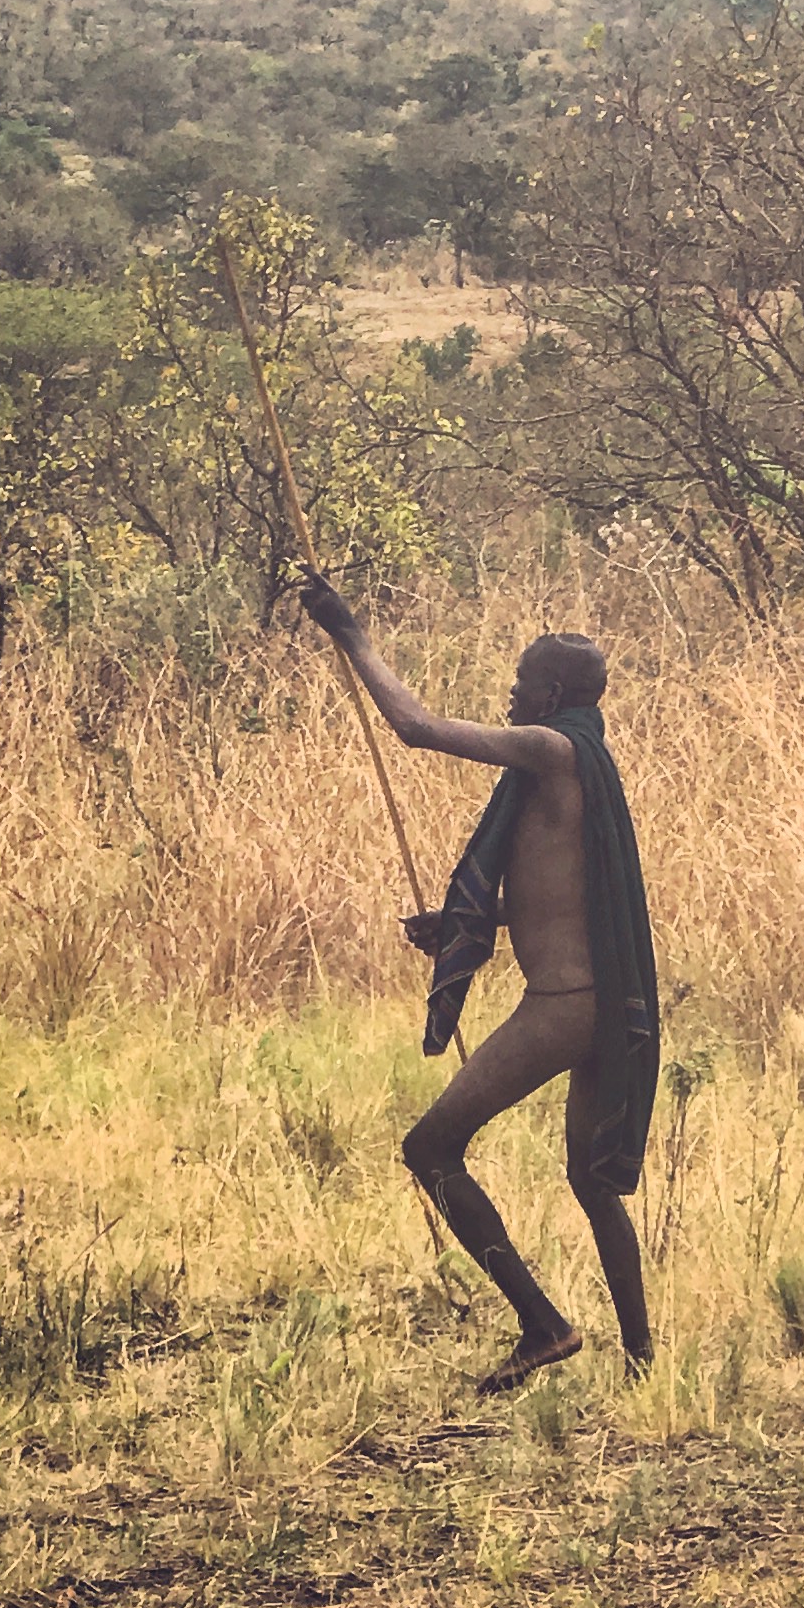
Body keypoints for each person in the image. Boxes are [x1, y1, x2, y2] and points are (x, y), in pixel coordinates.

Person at [297, 582, 661, 1389]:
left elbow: (415, 728)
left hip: (564, 1008)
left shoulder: (553, 749)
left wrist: (349, 633)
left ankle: (543, 1326)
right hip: (605, 1001)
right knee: (592, 1184)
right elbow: (559, 894)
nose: (512, 690)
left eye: (522, 680)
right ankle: (643, 1368)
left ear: (553, 695)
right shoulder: (582, 759)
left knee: (429, 1149)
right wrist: (471, 921)